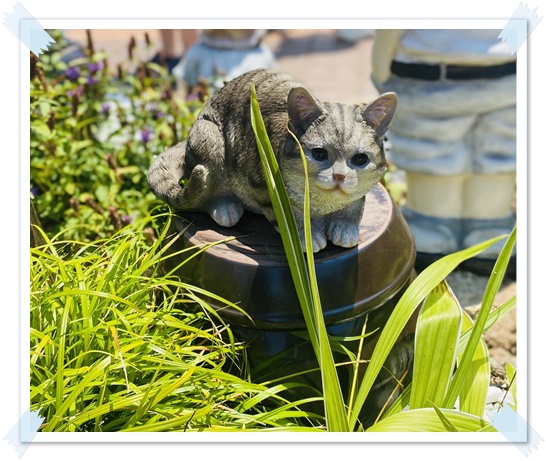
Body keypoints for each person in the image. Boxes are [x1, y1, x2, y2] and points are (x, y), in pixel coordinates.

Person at [371, 29, 517, 263]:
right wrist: (506, 46)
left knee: (432, 154)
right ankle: (489, 231)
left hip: (430, 73)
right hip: (504, 73)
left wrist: (380, 68)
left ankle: (436, 228)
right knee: (498, 154)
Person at [172, 29, 276, 96]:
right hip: (210, 44)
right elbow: (187, 89)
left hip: (248, 48)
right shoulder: (198, 53)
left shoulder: (259, 57)